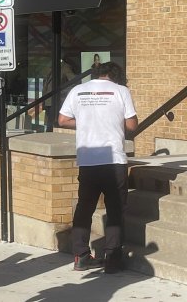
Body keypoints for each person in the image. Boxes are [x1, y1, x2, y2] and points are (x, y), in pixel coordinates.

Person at [58, 62, 138, 274]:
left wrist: (86, 121)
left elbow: (62, 120)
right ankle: (112, 259)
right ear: (115, 76)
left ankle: (81, 256)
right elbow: (131, 125)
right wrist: (111, 120)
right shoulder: (121, 91)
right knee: (115, 210)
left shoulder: (77, 90)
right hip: (113, 160)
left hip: (87, 161)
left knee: (84, 207)